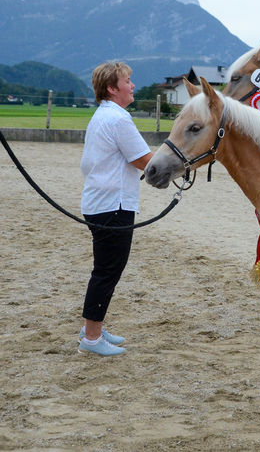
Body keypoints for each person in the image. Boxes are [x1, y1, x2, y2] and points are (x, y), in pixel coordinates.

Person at [77, 61, 153, 356]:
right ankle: (92, 339)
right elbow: (144, 160)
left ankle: (92, 328)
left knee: (105, 269)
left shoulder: (102, 116)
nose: (132, 85)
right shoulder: (119, 119)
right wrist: (182, 165)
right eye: (128, 81)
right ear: (112, 88)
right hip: (113, 205)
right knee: (107, 271)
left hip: (100, 202)